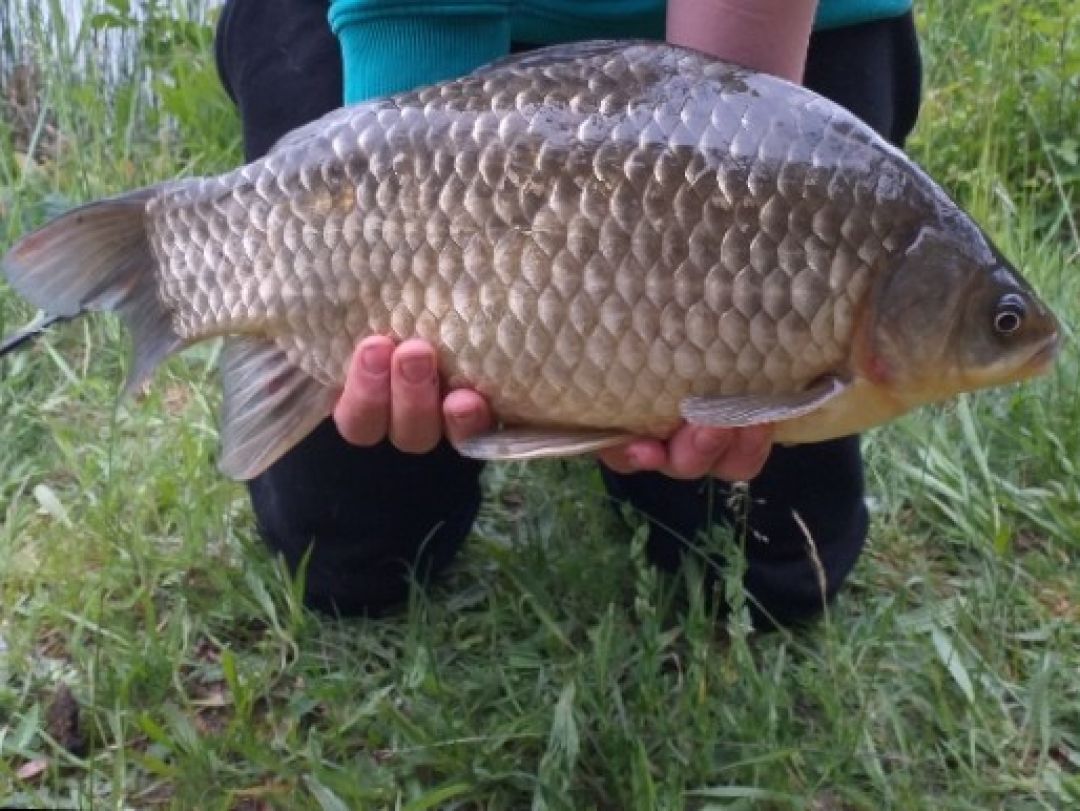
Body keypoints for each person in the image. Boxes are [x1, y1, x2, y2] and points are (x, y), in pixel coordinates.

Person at [213, 0, 921, 624]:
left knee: (770, 576)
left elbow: (731, 128)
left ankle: (585, 382)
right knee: (348, 560)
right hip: (393, 17)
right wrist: (409, 231)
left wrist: (727, 191)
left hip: (759, 33)